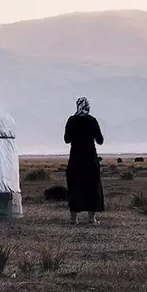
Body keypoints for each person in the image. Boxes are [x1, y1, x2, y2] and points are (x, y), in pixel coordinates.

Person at [63, 96, 105, 225]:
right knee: (92, 187)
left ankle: (73, 219)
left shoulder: (71, 120)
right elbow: (100, 140)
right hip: (90, 158)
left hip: (75, 158)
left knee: (75, 187)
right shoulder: (92, 121)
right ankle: (91, 219)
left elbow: (67, 139)